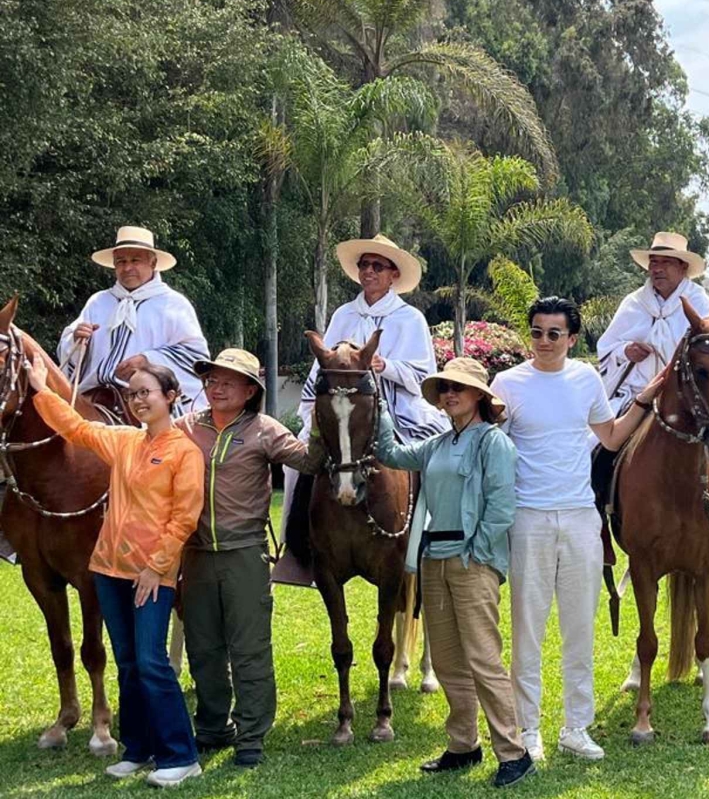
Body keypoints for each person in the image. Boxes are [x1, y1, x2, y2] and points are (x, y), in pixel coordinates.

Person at [492, 296, 668, 763]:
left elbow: (610, 436)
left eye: (554, 334)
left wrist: (645, 398)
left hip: (580, 518)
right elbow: (494, 451)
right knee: (527, 630)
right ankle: (528, 731)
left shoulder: (586, 378)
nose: (544, 341)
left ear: (572, 339)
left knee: (578, 629)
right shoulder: (506, 384)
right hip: (527, 518)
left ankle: (577, 728)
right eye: (536, 332)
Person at [24, 356, 205, 786]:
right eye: (132, 394)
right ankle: (138, 749)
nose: (138, 400)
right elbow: (75, 427)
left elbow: (185, 518)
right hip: (108, 570)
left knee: (151, 661)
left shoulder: (185, 453)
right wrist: (39, 388)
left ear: (171, 397)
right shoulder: (124, 440)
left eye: (146, 392)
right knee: (126, 662)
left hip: (151, 576)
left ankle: (181, 754)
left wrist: (155, 568)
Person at [374, 357, 535, 789]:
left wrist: (478, 553)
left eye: (457, 388)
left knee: (483, 658)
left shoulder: (492, 444)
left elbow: (502, 505)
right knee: (446, 661)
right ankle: (463, 745)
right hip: (434, 559)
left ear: (479, 396)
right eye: (444, 388)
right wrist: (378, 407)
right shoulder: (439, 443)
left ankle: (514, 753)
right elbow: (391, 454)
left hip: (470, 561)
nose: (449, 395)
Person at [275, 233, 448, 584]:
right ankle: (296, 549)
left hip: (397, 410)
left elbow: (423, 373)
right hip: (342, 409)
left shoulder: (409, 318)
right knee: (298, 459)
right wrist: (313, 407)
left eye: (376, 266)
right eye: (363, 265)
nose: (368, 271)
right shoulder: (343, 313)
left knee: (435, 457)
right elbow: (321, 366)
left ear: (392, 274)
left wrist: (388, 366)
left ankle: (427, 541)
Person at [178, 349, 319, 767]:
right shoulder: (186, 427)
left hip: (245, 553)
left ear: (249, 390)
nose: (216, 388)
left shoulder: (265, 430)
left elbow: (310, 461)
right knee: (202, 647)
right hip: (195, 554)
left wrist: (331, 420)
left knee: (248, 648)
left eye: (228, 381)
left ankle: (252, 735)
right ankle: (212, 727)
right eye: (212, 380)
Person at [595, 230, 709, 556]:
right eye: (653, 262)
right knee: (598, 448)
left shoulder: (701, 303)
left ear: (682, 268)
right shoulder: (633, 304)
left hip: (691, 402)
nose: (657, 269)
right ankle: (601, 531)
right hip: (639, 397)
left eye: (665, 263)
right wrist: (625, 352)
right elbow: (606, 348)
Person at [57, 225, 208, 415]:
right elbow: (68, 353)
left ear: (153, 263)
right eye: (121, 261)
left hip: (146, 401)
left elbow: (195, 357)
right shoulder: (98, 302)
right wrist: (76, 339)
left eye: (135, 260)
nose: (127, 267)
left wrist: (148, 360)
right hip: (94, 396)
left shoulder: (173, 304)